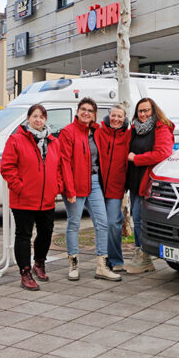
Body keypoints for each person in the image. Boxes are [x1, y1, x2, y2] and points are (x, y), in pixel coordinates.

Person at [0, 104, 63, 291]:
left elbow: (58, 167)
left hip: (47, 199)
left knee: (46, 233)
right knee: (24, 236)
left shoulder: (53, 141)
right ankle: (25, 272)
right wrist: (19, 186)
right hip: (24, 199)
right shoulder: (16, 140)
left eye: (41, 117)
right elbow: (7, 167)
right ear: (28, 118)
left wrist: (57, 186)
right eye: (34, 116)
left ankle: (39, 263)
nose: (38, 120)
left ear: (45, 120)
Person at [59, 97, 120, 281]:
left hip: (94, 182)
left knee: (102, 223)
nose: (86, 113)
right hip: (75, 183)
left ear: (94, 115)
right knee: (74, 223)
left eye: (90, 111)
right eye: (83, 109)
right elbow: (64, 163)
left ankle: (102, 266)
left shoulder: (96, 131)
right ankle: (73, 263)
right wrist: (69, 189)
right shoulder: (68, 132)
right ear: (78, 111)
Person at [126, 97, 175, 274]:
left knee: (140, 219)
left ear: (154, 111)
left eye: (147, 110)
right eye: (140, 111)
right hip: (134, 181)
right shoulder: (134, 129)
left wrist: (136, 159)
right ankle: (141, 253)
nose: (143, 114)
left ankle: (144, 256)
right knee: (136, 218)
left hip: (148, 182)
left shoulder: (161, 128)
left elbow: (163, 153)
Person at [97, 104, 131, 272]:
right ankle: (102, 260)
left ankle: (116, 259)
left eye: (120, 116)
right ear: (108, 115)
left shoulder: (128, 136)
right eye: (113, 115)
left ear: (124, 119)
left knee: (113, 223)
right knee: (100, 224)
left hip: (116, 187)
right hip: (97, 186)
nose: (116, 119)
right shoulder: (99, 131)